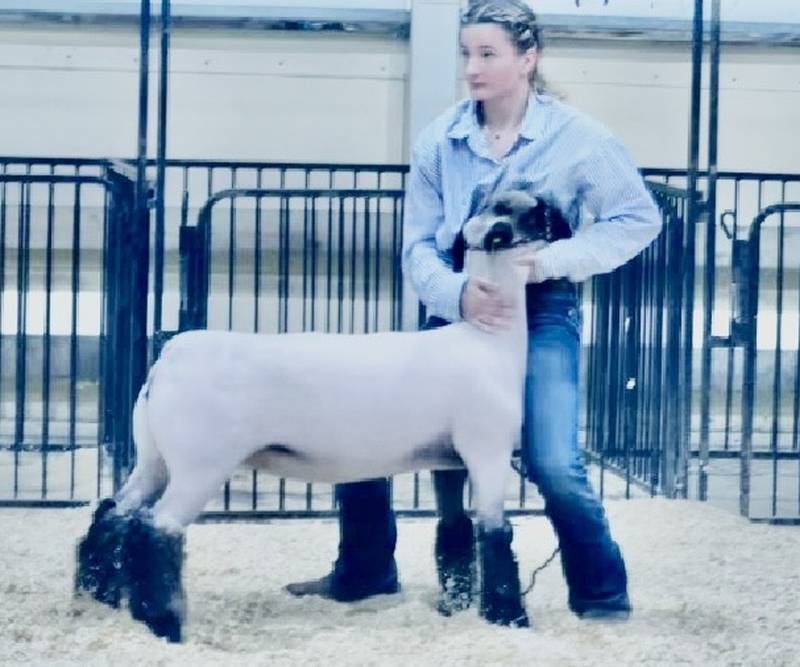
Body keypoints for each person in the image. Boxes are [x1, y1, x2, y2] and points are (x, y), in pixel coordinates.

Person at [286, 0, 661, 620]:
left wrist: (550, 262)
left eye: (488, 54)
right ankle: (371, 575)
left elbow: (638, 219)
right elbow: (419, 245)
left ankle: (602, 599)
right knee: (367, 421)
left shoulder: (581, 140)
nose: (472, 68)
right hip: (461, 311)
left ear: (528, 60)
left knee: (553, 462)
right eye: (467, 53)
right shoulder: (442, 139)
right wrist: (455, 294)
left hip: (539, 313)